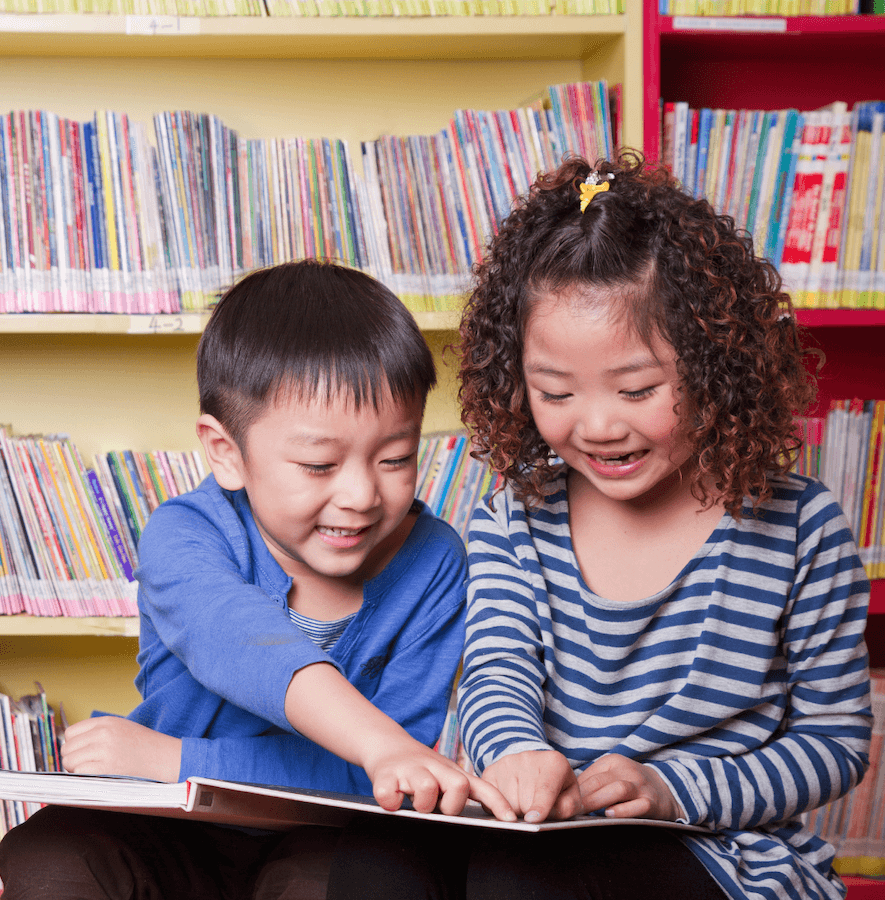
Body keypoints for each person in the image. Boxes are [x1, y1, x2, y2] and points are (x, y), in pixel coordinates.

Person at [329, 152, 873, 900]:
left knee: (519, 876)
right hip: (543, 830)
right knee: (377, 853)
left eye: (637, 388)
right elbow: (497, 675)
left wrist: (672, 789)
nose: (597, 425)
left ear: (714, 365)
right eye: (555, 391)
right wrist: (516, 752)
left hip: (720, 853)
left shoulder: (803, 529)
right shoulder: (512, 522)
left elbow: (834, 743)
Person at [0, 259, 512, 900]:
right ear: (226, 453)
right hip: (169, 826)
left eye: (396, 458)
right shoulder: (185, 536)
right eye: (319, 465)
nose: (359, 494)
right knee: (50, 853)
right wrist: (380, 745)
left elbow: (386, 780)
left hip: (323, 831)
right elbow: (244, 643)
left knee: (369, 875)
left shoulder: (435, 563)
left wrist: (175, 760)